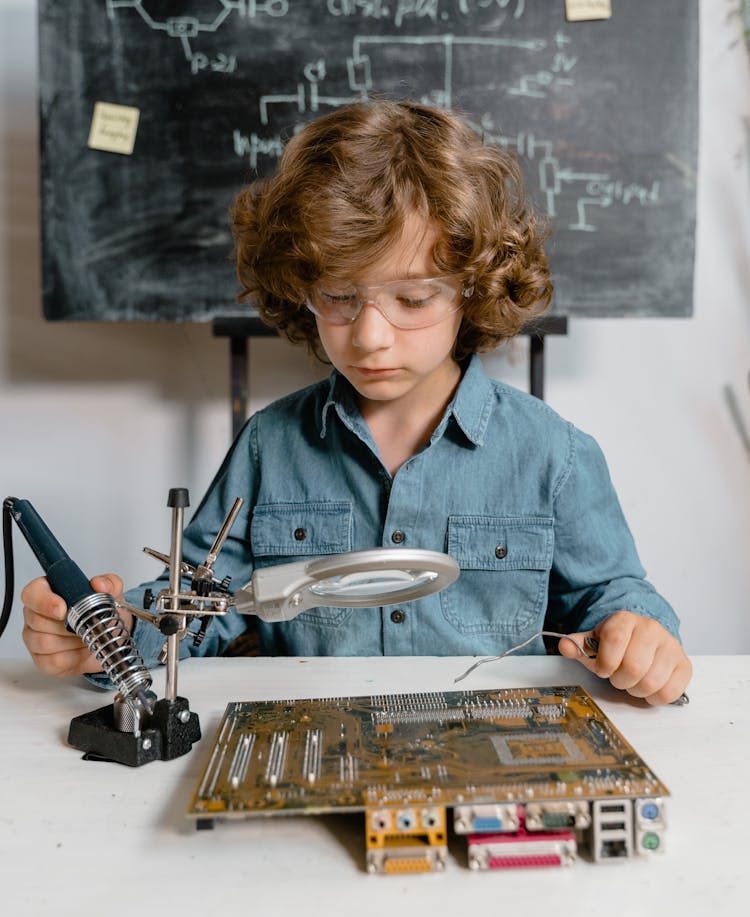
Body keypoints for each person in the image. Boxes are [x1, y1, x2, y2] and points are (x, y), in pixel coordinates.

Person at [21, 100, 691, 705]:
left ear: (473, 286)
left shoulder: (555, 455)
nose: (369, 336)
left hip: (489, 763)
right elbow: (196, 607)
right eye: (340, 296)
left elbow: (618, 600)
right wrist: (103, 633)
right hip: (312, 754)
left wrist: (640, 637)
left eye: (413, 297)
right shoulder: (269, 446)